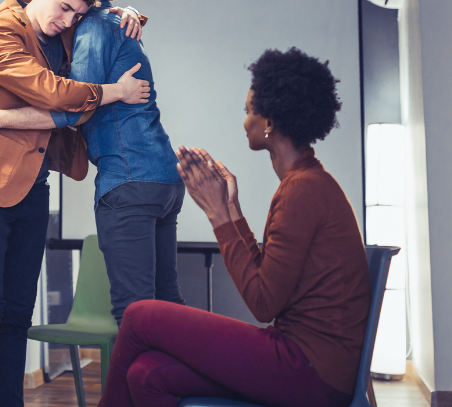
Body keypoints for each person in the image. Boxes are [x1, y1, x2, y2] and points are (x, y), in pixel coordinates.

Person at [98, 48, 371, 407]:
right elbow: (268, 278)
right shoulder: (305, 183)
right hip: (306, 364)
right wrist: (232, 209)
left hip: (308, 370)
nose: (245, 122)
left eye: (248, 111)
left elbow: (263, 302)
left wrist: (218, 215)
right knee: (146, 374)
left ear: (268, 122)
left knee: (138, 314)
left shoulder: (303, 189)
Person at [0, 0, 150, 407]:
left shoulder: (65, 24)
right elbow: (54, 93)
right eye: (63, 8)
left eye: (76, 14)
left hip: (34, 188)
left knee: (19, 312)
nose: (67, 21)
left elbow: (99, 23)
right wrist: (115, 92)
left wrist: (129, 13)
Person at [0, 0, 185, 326]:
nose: (68, 19)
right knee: (167, 301)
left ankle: (150, 368)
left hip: (129, 177)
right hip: (165, 176)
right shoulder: (115, 21)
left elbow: (73, 106)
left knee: (134, 312)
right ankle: (183, 365)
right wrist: (130, 14)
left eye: (75, 8)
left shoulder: (94, 28)